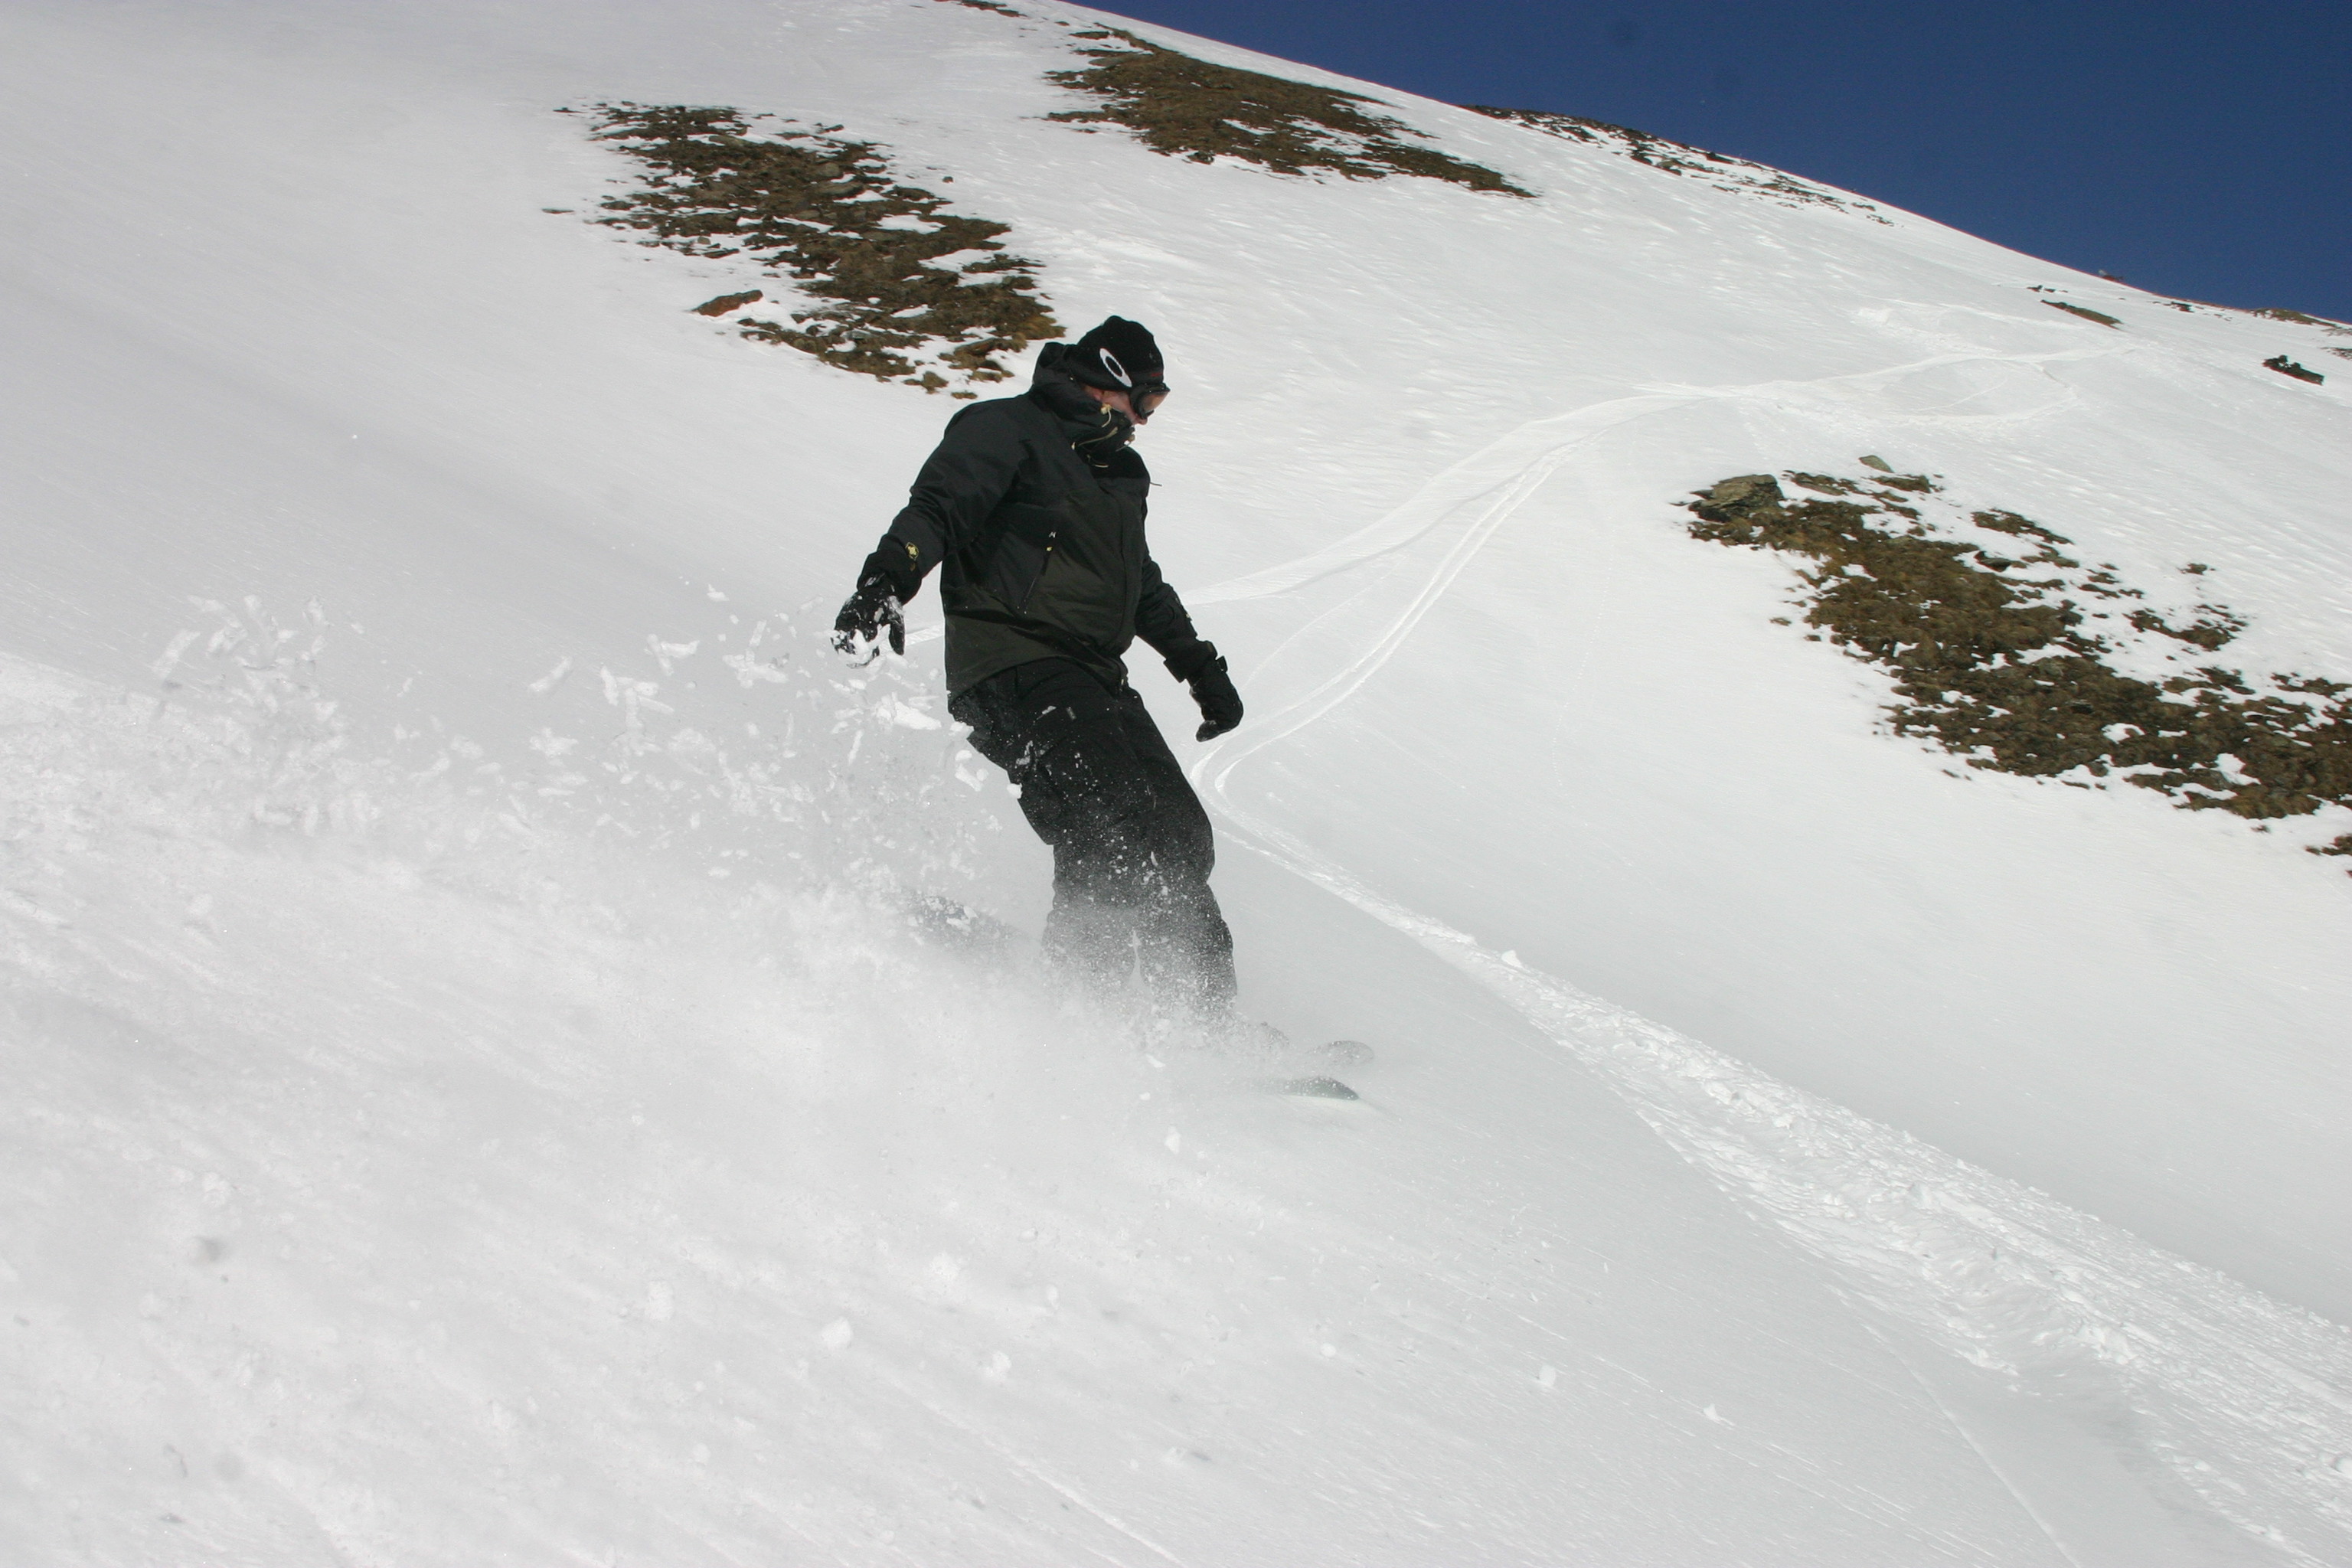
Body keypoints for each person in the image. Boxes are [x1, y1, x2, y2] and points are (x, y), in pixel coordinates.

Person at [833, 317, 1246, 1023]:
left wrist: (1200, 669)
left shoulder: (1118, 472)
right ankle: (1139, 1021)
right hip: (1012, 664)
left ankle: (1165, 1018)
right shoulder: (1006, 430)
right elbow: (939, 507)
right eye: (1146, 400)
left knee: (1177, 834)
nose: (1148, 419)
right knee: (1115, 824)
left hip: (1091, 674)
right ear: (1109, 380)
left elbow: (1137, 581)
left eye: (1158, 404)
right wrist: (884, 583)